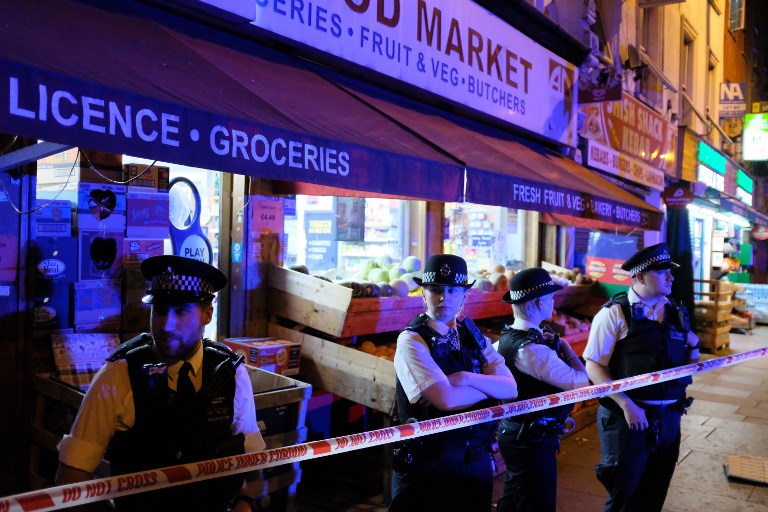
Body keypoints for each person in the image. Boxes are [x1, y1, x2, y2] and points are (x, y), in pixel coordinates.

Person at [56, 255, 266, 512]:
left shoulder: (230, 373)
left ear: (207, 314)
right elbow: (70, 477)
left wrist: (244, 502)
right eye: (161, 310)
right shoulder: (119, 375)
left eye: (181, 312)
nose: (166, 325)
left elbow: (253, 469)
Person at [389, 254, 518, 512]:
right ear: (423, 294)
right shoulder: (412, 340)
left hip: (474, 465)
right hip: (428, 470)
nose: (443, 298)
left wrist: (466, 378)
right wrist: (489, 387)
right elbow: (445, 400)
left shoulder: (473, 335)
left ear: (464, 296)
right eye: (435, 290)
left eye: (452, 290)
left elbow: (511, 388)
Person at [583, 243, 700, 512]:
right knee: (624, 495)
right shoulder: (614, 313)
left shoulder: (675, 311)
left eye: (670, 271)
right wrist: (626, 404)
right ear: (639, 277)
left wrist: (693, 345)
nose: (671, 277)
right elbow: (594, 366)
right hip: (629, 420)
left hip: (669, 418)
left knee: (655, 493)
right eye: (662, 272)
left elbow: (689, 368)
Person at [495, 268, 590, 512]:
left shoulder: (509, 336)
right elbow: (581, 382)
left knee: (514, 500)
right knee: (537, 503)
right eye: (549, 297)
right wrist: (567, 348)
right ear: (538, 302)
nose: (553, 301)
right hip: (529, 439)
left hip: (521, 434)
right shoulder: (533, 349)